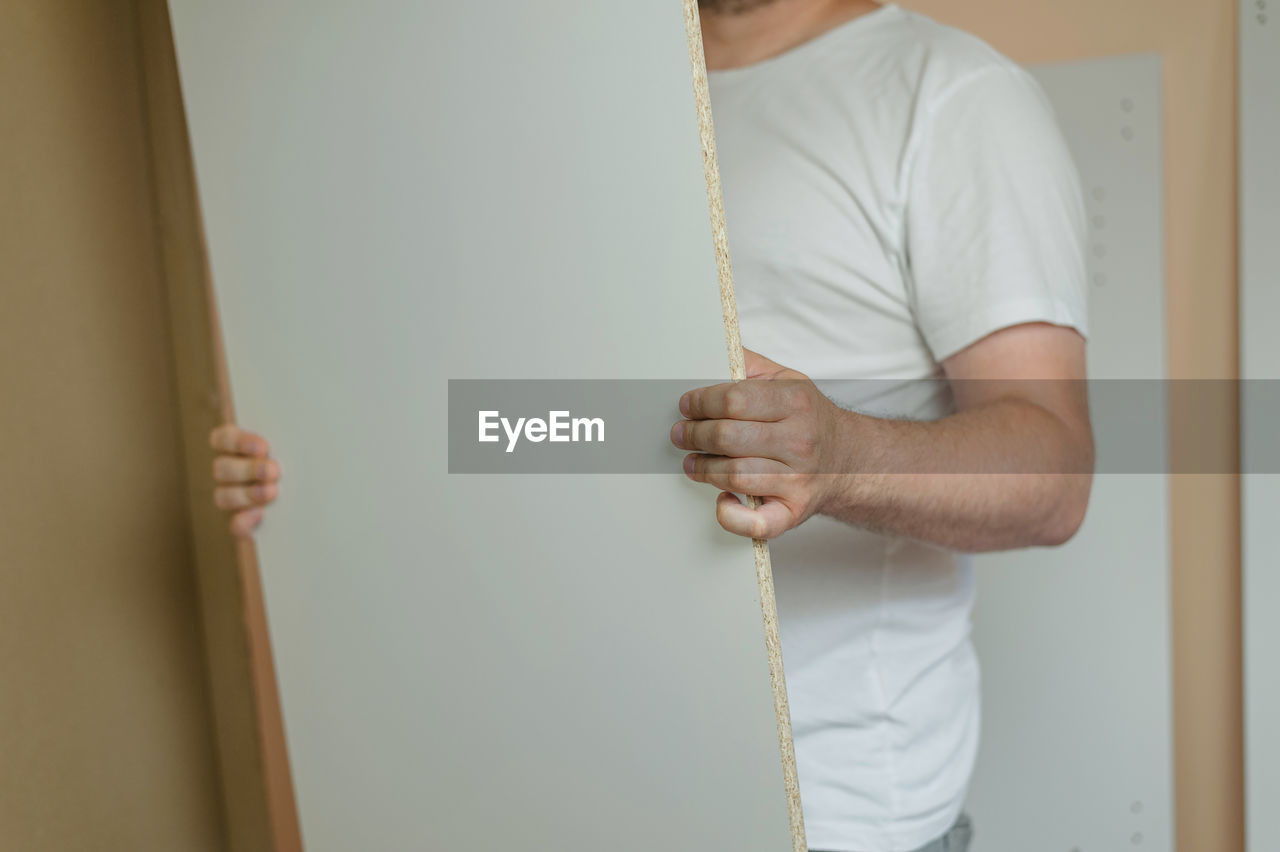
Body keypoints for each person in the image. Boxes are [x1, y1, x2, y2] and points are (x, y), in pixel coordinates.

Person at [210, 1, 1094, 850]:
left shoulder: (948, 94)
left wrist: (839, 455)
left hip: (825, 815)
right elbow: (539, 418)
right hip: (553, 781)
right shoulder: (544, 93)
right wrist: (322, 459)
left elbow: (1054, 475)